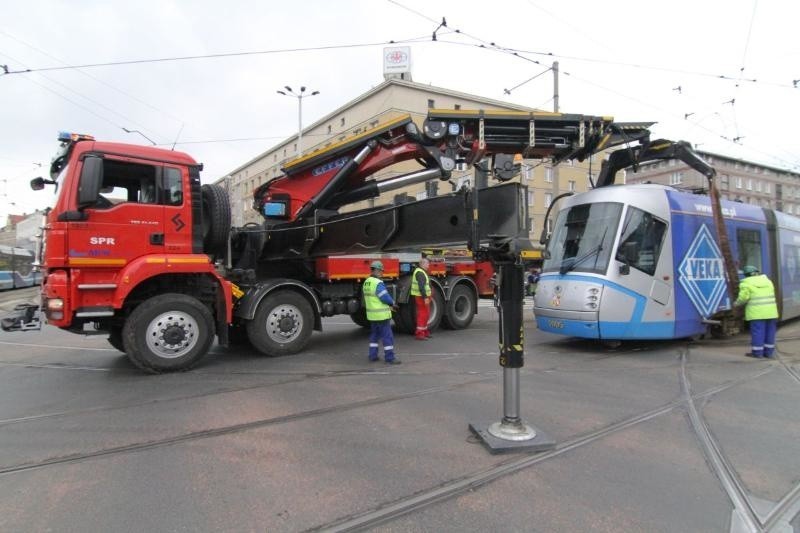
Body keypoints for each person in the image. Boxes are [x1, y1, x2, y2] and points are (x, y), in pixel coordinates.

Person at [735, 265, 779, 358]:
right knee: (770, 332)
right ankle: (769, 353)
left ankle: (757, 353)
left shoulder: (745, 284)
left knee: (758, 333)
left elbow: (743, 298)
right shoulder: (768, 281)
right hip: (771, 313)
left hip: (756, 314)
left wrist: (736, 303)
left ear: (746, 275)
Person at [363, 260, 401, 364]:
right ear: (376, 270)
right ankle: (390, 358)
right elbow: (384, 297)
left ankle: (372, 355)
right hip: (381, 316)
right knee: (387, 336)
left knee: (374, 336)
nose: (381, 273)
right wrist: (392, 304)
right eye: (380, 271)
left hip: (372, 315)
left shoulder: (367, 282)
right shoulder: (377, 283)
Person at [411, 257, 432, 340]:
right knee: (423, 315)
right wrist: (425, 297)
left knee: (426, 314)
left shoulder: (421, 272)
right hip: (421, 297)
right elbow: (421, 287)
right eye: (427, 263)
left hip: (422, 296)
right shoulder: (420, 273)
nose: (428, 265)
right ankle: (419, 333)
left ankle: (424, 331)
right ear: (422, 264)